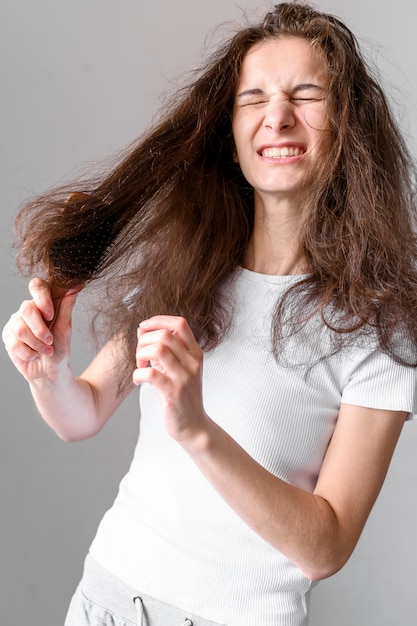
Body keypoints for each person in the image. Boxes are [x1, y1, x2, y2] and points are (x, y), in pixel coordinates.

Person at [3, 2, 417, 625]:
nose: (276, 116)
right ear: (231, 129)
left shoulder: (380, 327)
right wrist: (48, 372)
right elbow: (80, 414)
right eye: (254, 99)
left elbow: (326, 547)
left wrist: (197, 429)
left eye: (305, 95)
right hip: (103, 601)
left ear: (347, 126)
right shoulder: (192, 268)